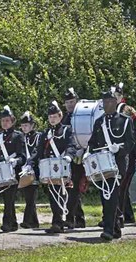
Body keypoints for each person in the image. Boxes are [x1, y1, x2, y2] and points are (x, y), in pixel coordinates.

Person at [85, 89, 134, 241]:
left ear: (116, 102)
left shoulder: (125, 121)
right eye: (105, 102)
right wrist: (88, 152)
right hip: (101, 163)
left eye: (110, 101)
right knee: (105, 195)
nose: (107, 104)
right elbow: (93, 142)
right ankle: (116, 228)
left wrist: (119, 148)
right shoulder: (99, 122)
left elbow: (132, 143)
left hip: (118, 163)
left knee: (112, 196)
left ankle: (107, 229)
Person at [26, 101, 76, 234]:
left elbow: (71, 145)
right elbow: (38, 151)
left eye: (55, 116)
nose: (52, 119)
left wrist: (68, 156)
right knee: (53, 194)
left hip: (63, 166)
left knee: (63, 194)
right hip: (49, 169)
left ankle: (63, 220)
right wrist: (30, 163)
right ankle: (57, 221)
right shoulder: (46, 133)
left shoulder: (66, 130)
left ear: (60, 116)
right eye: (50, 117)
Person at [0, 106, 26, 232]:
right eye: (3, 120)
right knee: (6, 197)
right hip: (0, 171)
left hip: (13, 172)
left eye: (7, 120)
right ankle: (13, 223)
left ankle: (7, 223)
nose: (5, 123)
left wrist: (16, 162)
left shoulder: (18, 136)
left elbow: (22, 157)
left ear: (12, 121)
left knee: (9, 197)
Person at [113, 82, 136, 224]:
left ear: (121, 96)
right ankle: (127, 215)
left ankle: (120, 216)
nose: (114, 98)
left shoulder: (128, 110)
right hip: (113, 154)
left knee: (122, 186)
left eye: (117, 95)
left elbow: (133, 134)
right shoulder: (107, 111)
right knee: (117, 185)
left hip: (127, 153)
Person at [61, 88, 86, 228]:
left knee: (74, 187)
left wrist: (84, 149)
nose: (70, 104)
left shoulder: (82, 115)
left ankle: (70, 218)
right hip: (68, 157)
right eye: (67, 102)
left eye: (72, 101)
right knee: (72, 188)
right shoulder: (64, 117)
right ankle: (80, 218)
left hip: (80, 156)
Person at [19, 111, 41, 228]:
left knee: (31, 195)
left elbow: (37, 152)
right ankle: (34, 221)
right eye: (22, 125)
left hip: (34, 169)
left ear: (32, 125)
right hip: (24, 169)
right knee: (28, 195)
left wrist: (30, 163)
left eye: (26, 125)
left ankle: (27, 221)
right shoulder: (21, 137)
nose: (24, 128)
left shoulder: (38, 137)